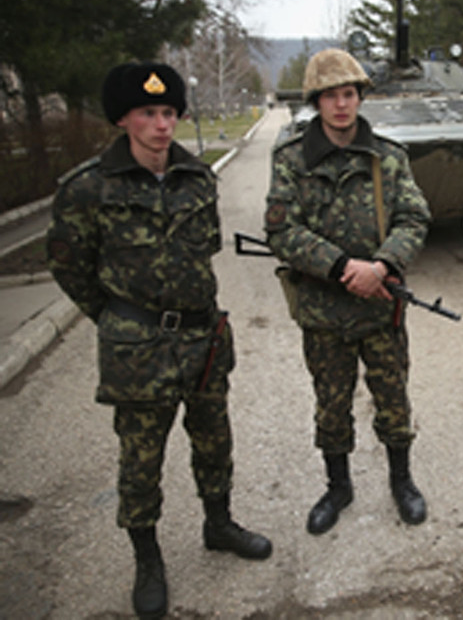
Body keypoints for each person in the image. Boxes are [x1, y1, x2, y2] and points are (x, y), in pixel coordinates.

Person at [46, 62, 271, 619]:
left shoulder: (198, 179)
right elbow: (70, 266)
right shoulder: (88, 188)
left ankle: (219, 524)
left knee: (214, 440)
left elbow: (204, 251)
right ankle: (147, 560)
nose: (162, 124)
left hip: (202, 337)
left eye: (169, 112)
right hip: (138, 348)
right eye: (148, 112)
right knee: (141, 459)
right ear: (123, 119)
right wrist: (118, 319)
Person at [265, 48, 432, 532]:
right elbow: (280, 230)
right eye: (330, 96)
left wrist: (382, 265)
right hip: (324, 312)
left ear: (359, 97)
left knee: (393, 398)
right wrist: (342, 267)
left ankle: (402, 481)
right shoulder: (292, 160)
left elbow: (414, 216)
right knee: (331, 405)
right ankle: (338, 487)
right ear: (316, 101)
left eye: (349, 94)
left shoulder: (388, 157)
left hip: (380, 307)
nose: (341, 105)